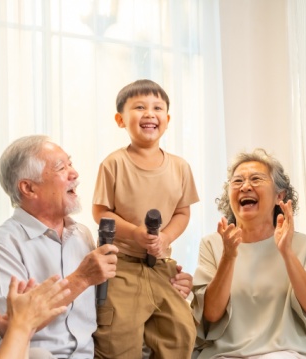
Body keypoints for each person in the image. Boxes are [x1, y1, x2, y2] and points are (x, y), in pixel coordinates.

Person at [0, 135, 195, 359]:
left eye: (70, 163)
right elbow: (10, 329)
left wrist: (162, 284)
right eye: (61, 168)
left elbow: (116, 300)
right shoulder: (1, 247)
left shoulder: (82, 236)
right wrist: (81, 279)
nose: (74, 173)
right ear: (28, 188)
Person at [192, 149, 306, 359]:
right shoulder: (213, 244)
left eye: (256, 179)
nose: (245, 186)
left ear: (279, 195)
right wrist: (229, 257)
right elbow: (212, 314)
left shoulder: (299, 243)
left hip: (284, 353)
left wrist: (286, 252)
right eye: (237, 181)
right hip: (224, 355)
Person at [92, 79, 198, 358]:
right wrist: (135, 234)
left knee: (181, 332)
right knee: (118, 338)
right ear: (120, 120)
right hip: (122, 266)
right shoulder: (114, 163)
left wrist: (165, 237)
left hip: (162, 266)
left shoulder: (180, 167)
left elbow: (182, 212)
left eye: (157, 108)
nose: (150, 113)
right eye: (139, 107)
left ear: (167, 119)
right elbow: (100, 212)